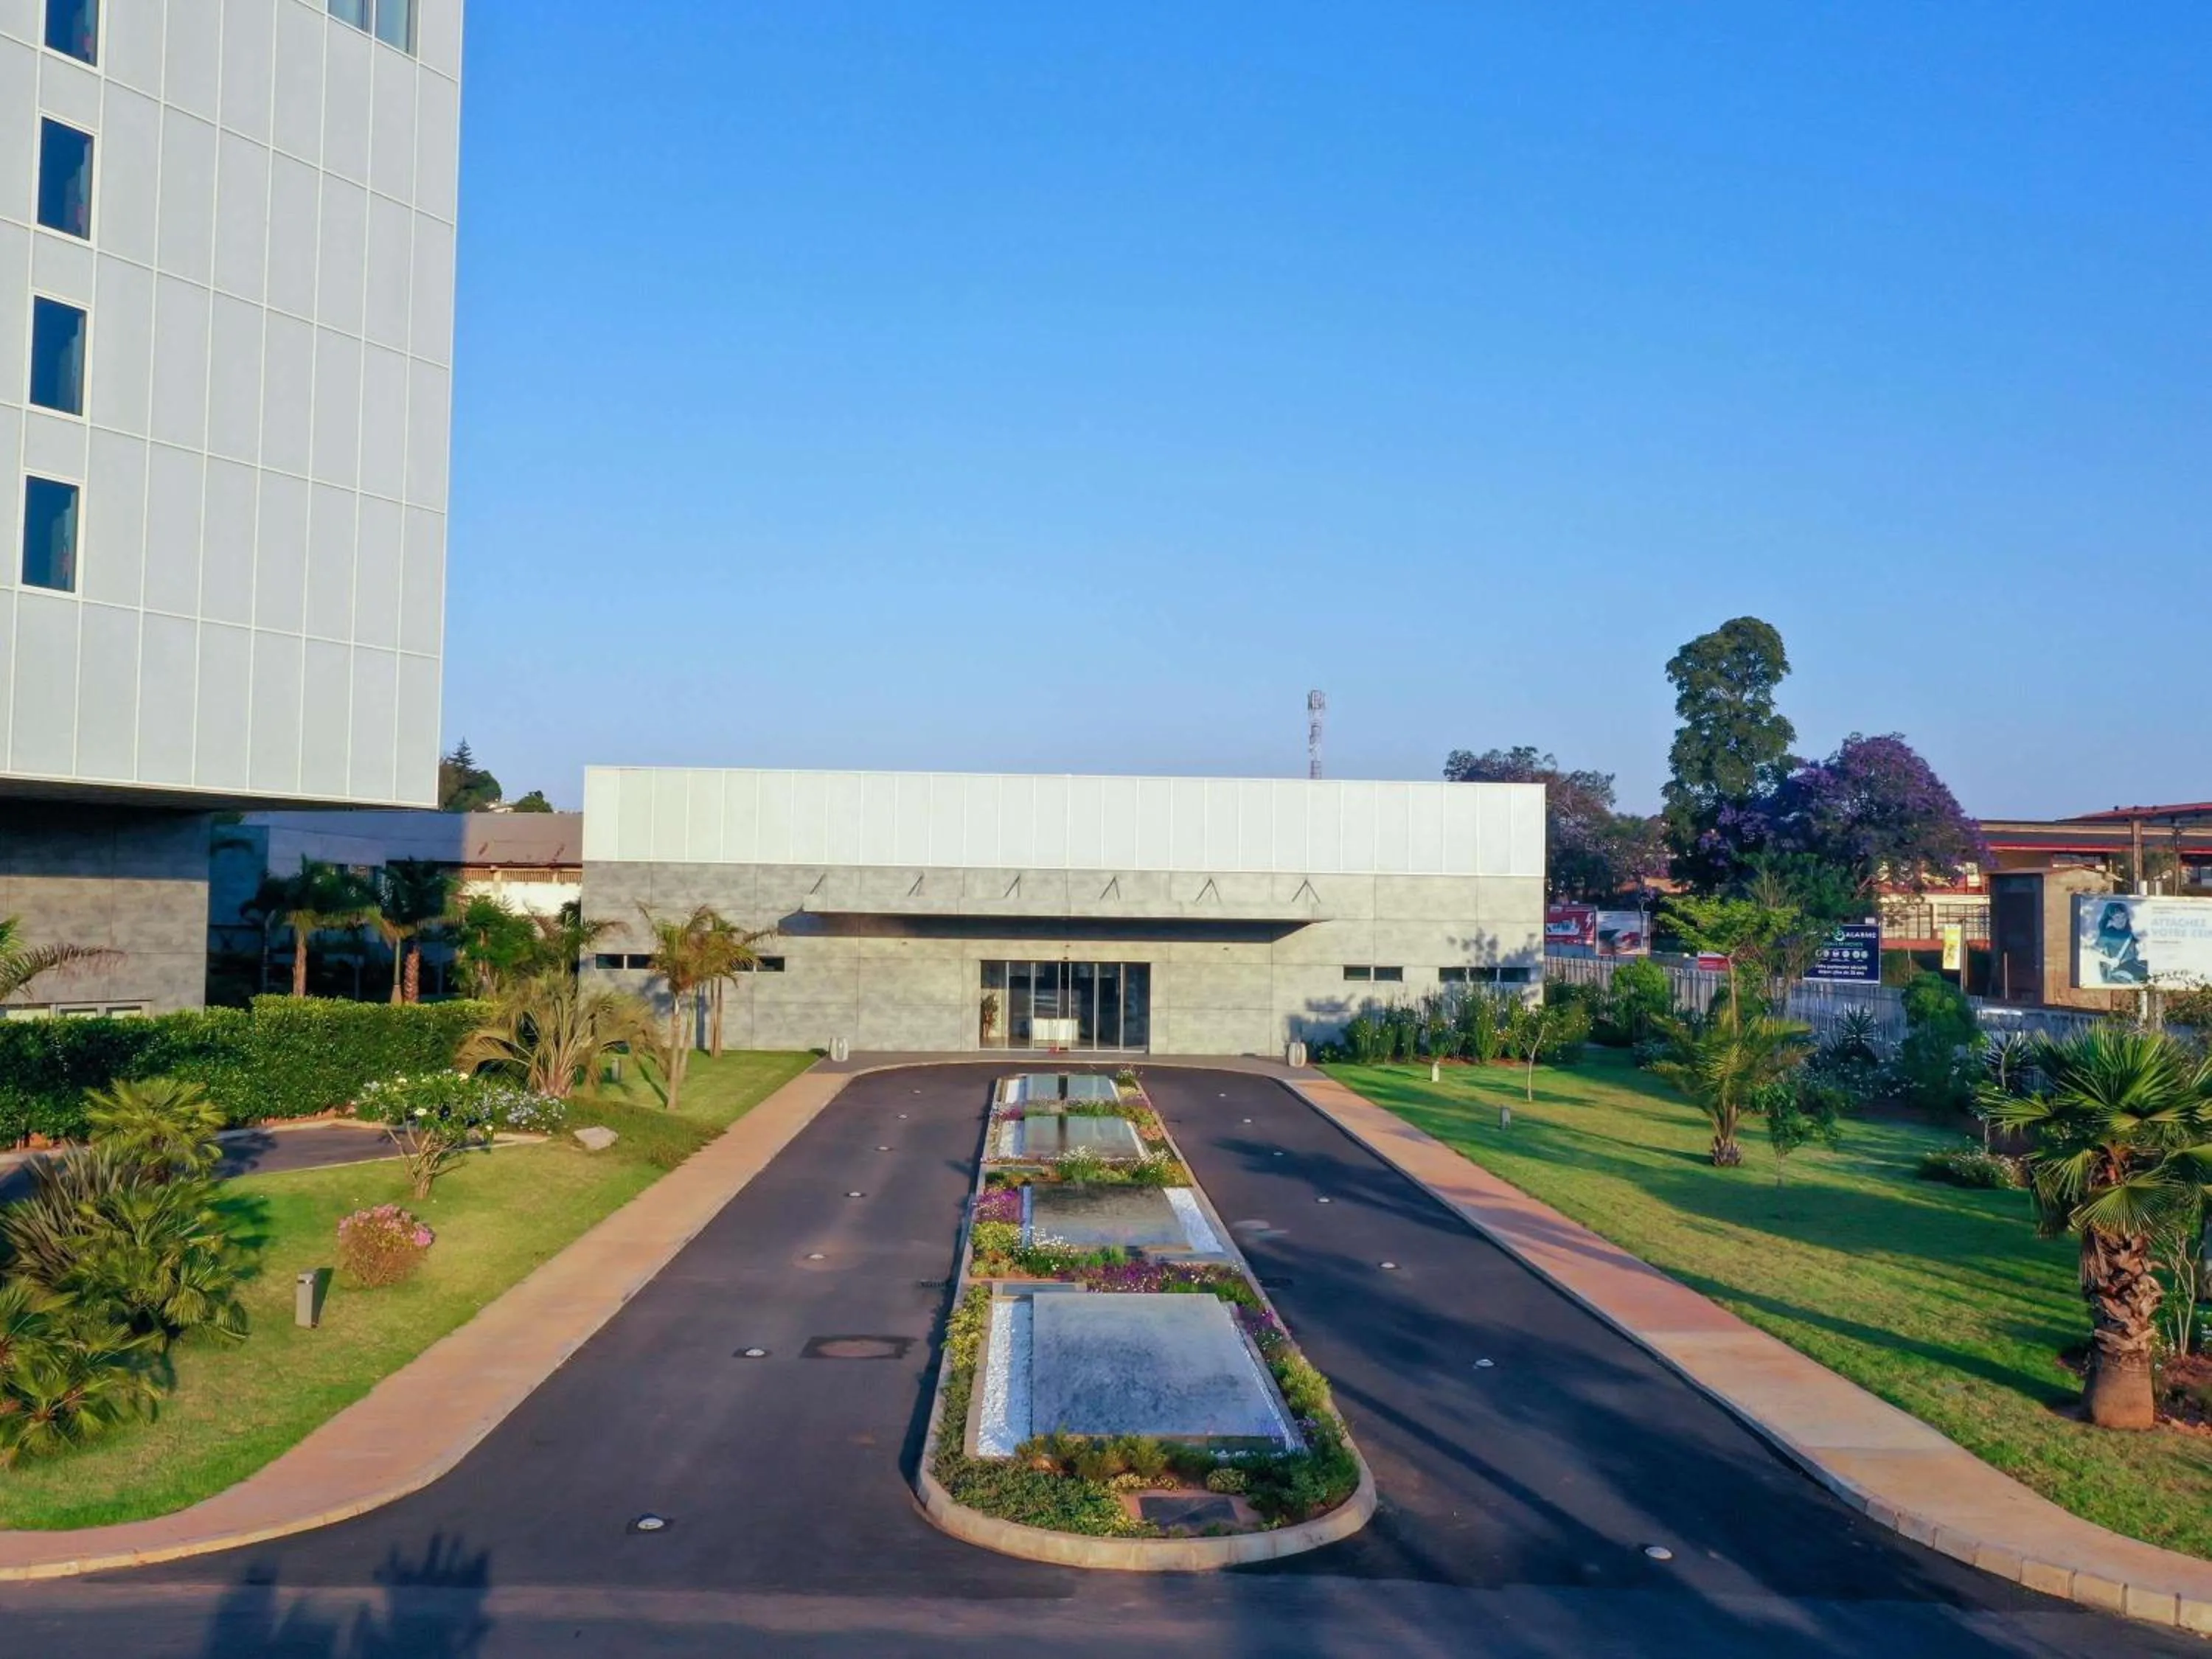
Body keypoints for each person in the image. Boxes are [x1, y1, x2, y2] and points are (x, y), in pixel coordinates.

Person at [2088, 900, 2148, 987]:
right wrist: (2110, 961)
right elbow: (2093, 952)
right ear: (2110, 919)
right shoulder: (2107, 935)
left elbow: (2138, 949)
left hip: (2133, 965)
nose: (2121, 920)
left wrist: (2141, 947)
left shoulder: (2129, 933)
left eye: (2123, 917)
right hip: (2119, 971)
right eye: (2117, 917)